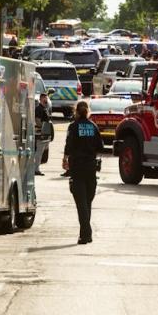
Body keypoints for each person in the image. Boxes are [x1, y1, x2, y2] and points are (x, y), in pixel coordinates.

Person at [63, 101, 104, 244]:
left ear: (76, 112)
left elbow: (69, 145)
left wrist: (65, 159)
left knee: (81, 203)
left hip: (78, 168)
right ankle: (85, 235)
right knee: (87, 203)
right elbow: (101, 146)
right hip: (91, 168)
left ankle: (87, 233)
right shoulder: (93, 126)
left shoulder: (73, 127)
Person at [34, 93, 51, 176]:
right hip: (41, 133)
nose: (46, 100)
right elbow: (37, 120)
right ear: (40, 99)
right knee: (39, 152)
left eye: (46, 98)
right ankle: (36, 169)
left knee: (41, 152)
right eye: (44, 98)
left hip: (45, 133)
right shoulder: (39, 109)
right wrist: (43, 128)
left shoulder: (45, 108)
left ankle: (36, 168)